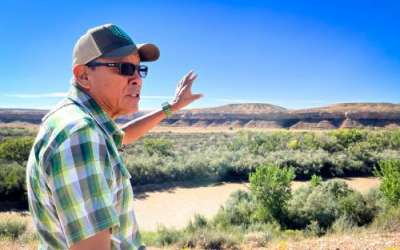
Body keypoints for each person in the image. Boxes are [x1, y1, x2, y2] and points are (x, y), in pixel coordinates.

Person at [26, 23, 202, 250]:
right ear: (83, 76)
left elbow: (120, 137)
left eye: (141, 70)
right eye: (125, 69)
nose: (137, 79)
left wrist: (172, 107)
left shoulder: (78, 121)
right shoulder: (81, 135)